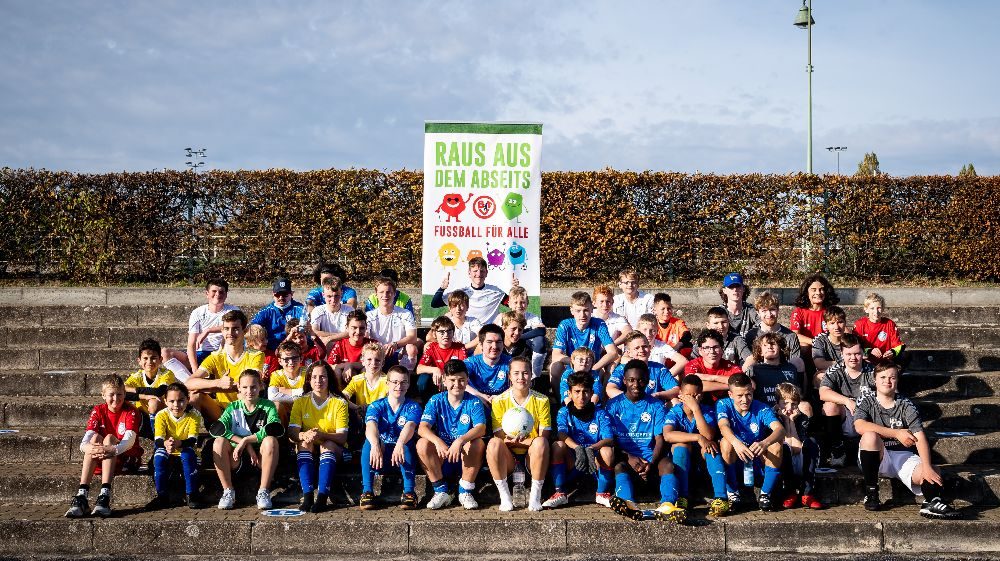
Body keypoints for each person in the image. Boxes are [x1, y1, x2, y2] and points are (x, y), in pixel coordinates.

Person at [855, 363, 960, 519]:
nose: (887, 381)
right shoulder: (866, 400)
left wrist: (926, 466)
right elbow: (859, 426)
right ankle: (871, 492)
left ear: (897, 380)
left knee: (933, 470)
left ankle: (932, 502)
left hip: (902, 455)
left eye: (892, 377)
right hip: (877, 455)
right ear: (874, 380)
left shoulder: (906, 404)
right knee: (869, 436)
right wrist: (896, 433)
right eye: (882, 377)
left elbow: (919, 436)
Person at [606, 360, 685, 523]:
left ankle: (667, 505)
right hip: (627, 459)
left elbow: (659, 439)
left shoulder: (656, 405)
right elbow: (610, 439)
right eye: (631, 380)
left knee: (668, 465)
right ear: (624, 381)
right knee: (619, 466)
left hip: (651, 461)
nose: (636, 384)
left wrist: (652, 462)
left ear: (648, 380)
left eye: (641, 380)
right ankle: (627, 503)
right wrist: (629, 457)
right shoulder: (613, 405)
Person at [64, 374, 142, 518]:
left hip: (127, 458)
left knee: (109, 438)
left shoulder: (131, 411)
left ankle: (105, 495)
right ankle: (82, 496)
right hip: (104, 456)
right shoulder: (98, 410)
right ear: (103, 395)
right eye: (111, 394)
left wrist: (113, 449)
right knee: (94, 439)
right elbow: (87, 437)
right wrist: (88, 448)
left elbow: (129, 440)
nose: (116, 399)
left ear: (125, 394)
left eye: (119, 394)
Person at [417, 360, 487, 510]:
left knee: (477, 443)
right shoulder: (436, 400)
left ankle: (465, 491)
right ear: (444, 380)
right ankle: (441, 491)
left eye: (461, 380)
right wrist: (437, 441)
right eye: (452, 380)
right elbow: (422, 428)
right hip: (443, 456)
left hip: (465, 457)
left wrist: (460, 441)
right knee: (422, 443)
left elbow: (481, 428)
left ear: (467, 380)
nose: (457, 384)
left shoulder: (473, 401)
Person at [209, 369, 283, 510]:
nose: (249, 391)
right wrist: (243, 443)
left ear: (261, 386)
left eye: (253, 387)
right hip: (236, 457)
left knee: (271, 441)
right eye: (245, 387)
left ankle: (263, 492)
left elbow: (273, 428)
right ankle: (228, 491)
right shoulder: (232, 407)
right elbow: (217, 429)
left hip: (261, 457)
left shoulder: (268, 406)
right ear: (239, 388)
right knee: (218, 441)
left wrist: (246, 440)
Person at [487, 356, 552, 511]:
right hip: (508, 456)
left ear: (531, 375)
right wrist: (523, 441)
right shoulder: (499, 401)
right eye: (516, 373)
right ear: (509, 376)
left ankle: (535, 495)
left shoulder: (542, 400)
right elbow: (499, 437)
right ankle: (505, 496)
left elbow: (544, 437)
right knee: (493, 444)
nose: (521, 377)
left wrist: (519, 442)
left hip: (533, 455)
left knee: (541, 443)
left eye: (525, 373)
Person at [662, 375, 731, 517]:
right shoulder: (675, 412)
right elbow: (668, 435)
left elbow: (709, 435)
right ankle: (682, 497)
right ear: (680, 395)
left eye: (695, 396)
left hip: (702, 460)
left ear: (700, 396)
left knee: (711, 446)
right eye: (688, 395)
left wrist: (696, 409)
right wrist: (698, 437)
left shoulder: (707, 410)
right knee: (681, 445)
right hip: (682, 460)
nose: (691, 399)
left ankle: (721, 498)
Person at [546, 371, 615, 508]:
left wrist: (591, 448)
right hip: (574, 460)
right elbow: (561, 434)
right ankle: (560, 493)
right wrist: (577, 448)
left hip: (593, 461)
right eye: (577, 391)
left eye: (585, 391)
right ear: (570, 393)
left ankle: (601, 493)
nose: (581, 396)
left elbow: (609, 439)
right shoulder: (563, 412)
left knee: (607, 450)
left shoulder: (600, 413)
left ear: (591, 393)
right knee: (557, 445)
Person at [716, 373, 785, 512]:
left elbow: (780, 429)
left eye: (748, 394)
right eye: (739, 396)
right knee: (726, 442)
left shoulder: (761, 407)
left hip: (756, 459)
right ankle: (733, 493)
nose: (745, 399)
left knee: (776, 445)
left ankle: (765, 494)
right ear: (730, 394)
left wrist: (765, 443)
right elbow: (723, 426)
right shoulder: (723, 404)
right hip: (736, 458)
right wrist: (736, 443)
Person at [186, 310, 265, 425]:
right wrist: (218, 383)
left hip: (246, 410)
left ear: (244, 331)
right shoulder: (215, 357)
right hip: (220, 411)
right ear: (222, 330)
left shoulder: (256, 355)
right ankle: (190, 439)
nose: (230, 333)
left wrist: (210, 387)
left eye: (235, 329)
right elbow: (189, 383)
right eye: (226, 329)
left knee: (243, 395)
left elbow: (249, 386)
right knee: (195, 395)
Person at [289, 361, 349, 513]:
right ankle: (308, 496)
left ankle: (322, 498)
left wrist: (321, 435)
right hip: (310, 447)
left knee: (326, 444)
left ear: (329, 379)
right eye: (314, 377)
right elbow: (292, 433)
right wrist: (304, 434)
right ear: (308, 379)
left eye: (322, 377)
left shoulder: (339, 402)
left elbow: (342, 438)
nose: (318, 381)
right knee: (303, 443)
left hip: (334, 448)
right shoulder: (301, 401)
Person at [360, 366, 423, 510]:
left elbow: (410, 426)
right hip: (379, 457)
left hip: (402, 457)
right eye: (394, 382)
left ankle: (409, 493)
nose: (398, 386)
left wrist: (400, 443)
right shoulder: (376, 405)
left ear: (408, 384)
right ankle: (367, 492)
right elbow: (370, 426)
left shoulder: (413, 407)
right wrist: (376, 445)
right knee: (369, 443)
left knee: (406, 444)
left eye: (403, 382)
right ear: (387, 383)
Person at [146, 383, 206, 510]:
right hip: (168, 450)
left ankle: (192, 494)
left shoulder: (194, 414)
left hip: (185, 449)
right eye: (172, 401)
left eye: (180, 400)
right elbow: (158, 441)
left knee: (188, 454)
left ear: (187, 400)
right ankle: (162, 496)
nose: (176, 405)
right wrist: (166, 444)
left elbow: (192, 440)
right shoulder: (161, 415)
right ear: (165, 401)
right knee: (159, 457)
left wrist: (178, 443)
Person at [819, 334, 875, 467]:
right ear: (842, 353)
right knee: (829, 406)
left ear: (862, 353)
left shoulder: (872, 370)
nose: (853, 358)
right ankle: (837, 450)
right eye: (849, 354)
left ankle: (866, 452)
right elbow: (823, 392)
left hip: (867, 417)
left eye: (857, 354)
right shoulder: (836, 369)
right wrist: (847, 401)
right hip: (845, 415)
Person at [549, 291, 620, 394]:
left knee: (611, 368)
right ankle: (560, 403)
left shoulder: (599, 324)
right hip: (572, 366)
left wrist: (592, 367)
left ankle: (603, 404)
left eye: (586, 310)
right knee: (555, 367)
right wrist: (577, 363)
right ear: (571, 310)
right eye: (578, 311)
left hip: (594, 366)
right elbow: (555, 355)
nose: (582, 315)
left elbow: (613, 353)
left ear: (592, 309)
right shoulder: (565, 325)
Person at [171, 278, 238, 370]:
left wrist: (208, 330)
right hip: (201, 352)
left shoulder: (233, 311)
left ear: (226, 295)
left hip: (223, 353)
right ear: (207, 294)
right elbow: (191, 343)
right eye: (214, 291)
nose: (217, 294)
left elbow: (234, 326)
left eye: (221, 292)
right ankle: (190, 380)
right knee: (166, 353)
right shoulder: (197, 312)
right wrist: (195, 369)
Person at [773, 383, 822, 510]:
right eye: (785, 403)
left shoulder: (801, 417)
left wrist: (791, 422)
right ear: (778, 403)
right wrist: (784, 420)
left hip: (800, 460)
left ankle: (807, 494)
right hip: (782, 461)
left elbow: (797, 447)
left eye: (794, 404)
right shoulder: (772, 417)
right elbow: (787, 446)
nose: (789, 408)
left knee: (811, 442)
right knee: (783, 446)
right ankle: (790, 492)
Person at [432, 256, 513, 325]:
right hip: (467, 332)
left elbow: (514, 304)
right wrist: (442, 288)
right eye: (475, 271)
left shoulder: (496, 292)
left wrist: (515, 290)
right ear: (469, 273)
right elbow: (435, 303)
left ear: (486, 273)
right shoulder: (462, 292)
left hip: (487, 334)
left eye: (482, 271)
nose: (478, 274)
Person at [746, 333, 811, 415]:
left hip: (788, 407)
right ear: (760, 352)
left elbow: (800, 394)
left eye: (773, 344)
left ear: (780, 348)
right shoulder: (754, 369)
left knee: (805, 406)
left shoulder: (791, 368)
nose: (769, 347)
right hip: (765, 409)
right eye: (765, 345)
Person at [606, 332, 682, 402]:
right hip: (630, 406)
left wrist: (658, 395)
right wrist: (633, 398)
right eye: (637, 348)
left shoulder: (659, 369)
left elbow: (676, 390)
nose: (641, 350)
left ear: (649, 348)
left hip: (653, 406)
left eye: (644, 346)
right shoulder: (622, 369)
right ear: (629, 352)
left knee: (675, 401)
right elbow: (610, 389)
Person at [366, 276, 419, 372]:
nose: (385, 295)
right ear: (376, 294)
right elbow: (365, 338)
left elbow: (413, 337)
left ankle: (406, 378)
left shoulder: (405, 313)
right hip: (377, 352)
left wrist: (395, 345)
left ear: (394, 293)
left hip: (398, 351)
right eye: (381, 292)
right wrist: (379, 348)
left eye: (388, 292)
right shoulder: (369, 316)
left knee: (412, 348)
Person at [124, 338, 175, 436]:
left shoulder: (166, 374)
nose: (149, 362)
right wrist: (143, 396)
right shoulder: (136, 376)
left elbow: (159, 391)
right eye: (145, 358)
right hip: (143, 417)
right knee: (119, 400)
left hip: (163, 416)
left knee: (153, 402)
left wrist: (136, 390)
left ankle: (158, 438)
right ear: (139, 361)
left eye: (153, 358)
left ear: (160, 359)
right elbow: (121, 390)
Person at [743, 291, 803, 372]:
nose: (769, 314)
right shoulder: (751, 335)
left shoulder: (790, 336)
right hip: (760, 374)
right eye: (764, 310)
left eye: (772, 309)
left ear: (778, 310)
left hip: (784, 374)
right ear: (758, 313)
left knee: (799, 362)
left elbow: (795, 362)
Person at [416, 315, 468, 402]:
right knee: (422, 381)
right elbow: (419, 369)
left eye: (449, 331)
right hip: (437, 381)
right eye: (442, 332)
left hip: (455, 381)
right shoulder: (431, 347)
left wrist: (446, 377)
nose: (446, 335)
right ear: (434, 334)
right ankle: (427, 403)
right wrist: (435, 369)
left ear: (453, 332)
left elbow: (464, 369)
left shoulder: (460, 348)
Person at [252, 277, 307, 352]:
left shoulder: (300, 309)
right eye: (277, 295)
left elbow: (308, 326)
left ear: (291, 294)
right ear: (273, 294)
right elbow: (251, 328)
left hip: (295, 350)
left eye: (285, 294)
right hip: (271, 349)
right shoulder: (266, 311)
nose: (281, 298)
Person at [504, 286, 547, 381]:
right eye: (515, 302)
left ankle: (535, 376)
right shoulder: (505, 317)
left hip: (526, 347)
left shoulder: (532, 318)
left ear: (527, 303)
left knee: (540, 340)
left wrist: (520, 336)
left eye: (522, 302)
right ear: (509, 304)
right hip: (509, 347)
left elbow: (541, 331)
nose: (519, 305)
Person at [684, 329, 743, 398]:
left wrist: (712, 378)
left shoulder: (729, 366)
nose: (712, 351)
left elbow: (749, 383)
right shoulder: (693, 365)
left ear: (722, 349)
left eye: (715, 347)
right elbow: (691, 385)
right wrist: (731, 386)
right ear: (700, 351)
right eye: (707, 348)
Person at [463, 324, 513, 404]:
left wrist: (500, 397)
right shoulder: (471, 363)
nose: (494, 346)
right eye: (489, 342)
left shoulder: (511, 363)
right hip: (476, 403)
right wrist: (480, 396)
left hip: (504, 403)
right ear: (480, 344)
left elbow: (520, 384)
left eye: (498, 342)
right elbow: (457, 380)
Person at [853, 292, 906, 367]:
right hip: (866, 362)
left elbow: (899, 346)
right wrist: (869, 351)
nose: (876, 312)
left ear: (883, 308)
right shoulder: (859, 324)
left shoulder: (889, 324)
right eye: (872, 308)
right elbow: (854, 346)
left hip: (885, 363)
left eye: (879, 308)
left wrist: (892, 352)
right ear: (866, 309)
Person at [790, 273, 840, 348]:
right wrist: (815, 342)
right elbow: (795, 335)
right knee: (804, 346)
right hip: (807, 351)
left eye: (821, 289)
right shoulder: (799, 312)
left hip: (828, 350)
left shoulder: (831, 311)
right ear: (807, 293)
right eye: (814, 290)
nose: (818, 293)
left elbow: (842, 330)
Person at [326, 310, 375, 383]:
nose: (358, 332)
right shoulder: (340, 345)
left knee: (366, 370)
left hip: (364, 384)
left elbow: (375, 363)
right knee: (337, 371)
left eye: (362, 328)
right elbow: (330, 365)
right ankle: (340, 394)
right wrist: (346, 365)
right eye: (354, 328)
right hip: (343, 380)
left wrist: (351, 365)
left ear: (366, 328)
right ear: (347, 328)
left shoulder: (371, 344)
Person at [267, 341, 308, 424]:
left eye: (294, 358)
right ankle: (282, 434)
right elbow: (272, 397)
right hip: (286, 414)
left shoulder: (308, 372)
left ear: (301, 358)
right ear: (280, 361)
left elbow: (312, 394)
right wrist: (299, 394)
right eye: (286, 359)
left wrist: (286, 391)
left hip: (305, 413)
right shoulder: (276, 375)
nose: (291, 362)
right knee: (276, 406)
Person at [310, 275, 354, 345]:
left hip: (343, 348)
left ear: (341, 294)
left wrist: (330, 338)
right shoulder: (317, 311)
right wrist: (341, 335)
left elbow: (352, 332)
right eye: (329, 296)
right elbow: (315, 331)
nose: (333, 300)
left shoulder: (349, 310)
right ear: (323, 295)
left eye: (336, 296)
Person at [651, 292, 692, 357]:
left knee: (688, 347)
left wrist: (678, 345)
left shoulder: (678, 322)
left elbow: (687, 335)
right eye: (663, 309)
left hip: (675, 354)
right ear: (655, 310)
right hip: (658, 356)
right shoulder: (652, 325)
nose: (666, 312)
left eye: (669, 308)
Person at [719, 273, 759, 338]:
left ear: (743, 289)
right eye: (731, 287)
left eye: (738, 286)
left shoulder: (751, 309)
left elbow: (763, 325)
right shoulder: (718, 311)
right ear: (724, 290)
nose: (735, 290)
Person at [812, 306, 848, 376]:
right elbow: (820, 364)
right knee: (820, 376)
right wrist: (846, 363)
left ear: (845, 323)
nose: (836, 327)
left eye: (840, 322)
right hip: (827, 373)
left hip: (849, 373)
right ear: (826, 325)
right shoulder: (820, 340)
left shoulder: (851, 339)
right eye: (832, 323)